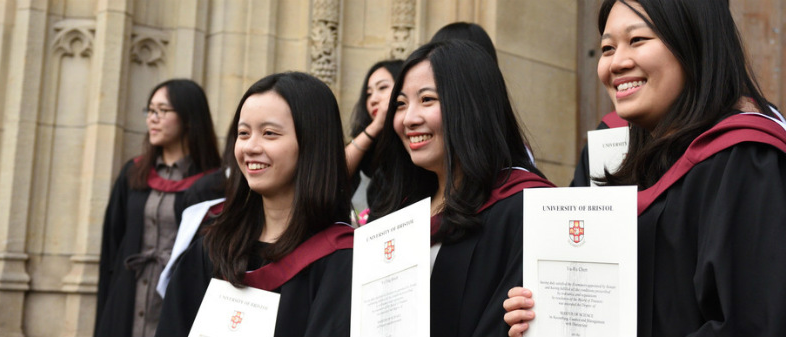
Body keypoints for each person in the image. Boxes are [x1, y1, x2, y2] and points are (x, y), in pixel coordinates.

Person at [505, 1, 786, 336]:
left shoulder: (747, 163)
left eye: (637, 40)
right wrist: (549, 315)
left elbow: (758, 324)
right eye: (607, 48)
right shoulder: (651, 171)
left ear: (692, 41)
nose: (616, 63)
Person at [368, 40, 555, 337]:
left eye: (427, 100)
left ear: (471, 105)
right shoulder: (399, 214)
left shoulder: (525, 210)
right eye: (401, 104)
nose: (409, 119)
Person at [155, 72, 354, 337]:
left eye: (269, 133)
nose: (250, 147)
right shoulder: (212, 250)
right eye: (243, 133)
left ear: (312, 143)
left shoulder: (342, 259)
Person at [95, 79, 222, 337]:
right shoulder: (133, 174)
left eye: (162, 111)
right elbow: (112, 245)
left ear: (189, 117)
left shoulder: (213, 185)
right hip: (127, 301)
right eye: (150, 111)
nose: (152, 119)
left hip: (176, 303)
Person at [347, 59, 402, 222]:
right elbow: (332, 176)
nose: (373, 99)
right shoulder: (371, 144)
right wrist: (375, 126)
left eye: (383, 88)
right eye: (369, 93)